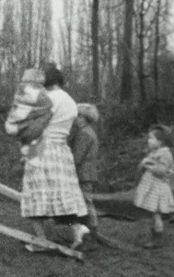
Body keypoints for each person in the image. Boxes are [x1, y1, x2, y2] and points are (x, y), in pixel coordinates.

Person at [19, 66, 89, 252]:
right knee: (63, 194)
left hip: (43, 149)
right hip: (61, 151)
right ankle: (77, 229)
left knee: (34, 195)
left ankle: (41, 241)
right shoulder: (71, 102)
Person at [134, 124, 174, 249]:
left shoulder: (165, 154)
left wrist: (148, 166)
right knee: (153, 213)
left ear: (160, 142)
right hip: (151, 187)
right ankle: (155, 235)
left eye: (151, 139)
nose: (149, 141)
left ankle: (157, 238)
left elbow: (162, 171)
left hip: (158, 188)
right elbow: (140, 168)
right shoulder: (153, 153)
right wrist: (143, 164)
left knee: (156, 214)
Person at [68, 103, 101, 250]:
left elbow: (77, 157)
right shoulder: (90, 132)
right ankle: (87, 234)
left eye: (77, 115)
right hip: (87, 172)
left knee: (86, 203)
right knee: (86, 202)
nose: (75, 118)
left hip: (83, 173)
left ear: (83, 118)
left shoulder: (83, 134)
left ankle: (91, 236)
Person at [4, 68, 53, 158]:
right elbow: (48, 105)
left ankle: (24, 148)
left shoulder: (20, 89)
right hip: (24, 129)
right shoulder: (37, 92)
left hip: (11, 124)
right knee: (49, 114)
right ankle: (28, 145)